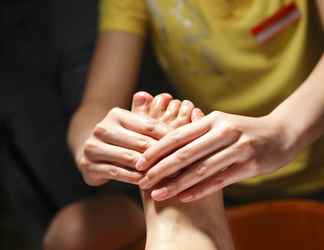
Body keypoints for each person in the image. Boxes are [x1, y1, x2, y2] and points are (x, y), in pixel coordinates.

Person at [44, 0, 324, 249]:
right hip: (209, 176)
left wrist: (285, 131)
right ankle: (194, 229)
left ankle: (188, 232)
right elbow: (97, 102)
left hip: (314, 178)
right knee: (72, 232)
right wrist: (93, 144)